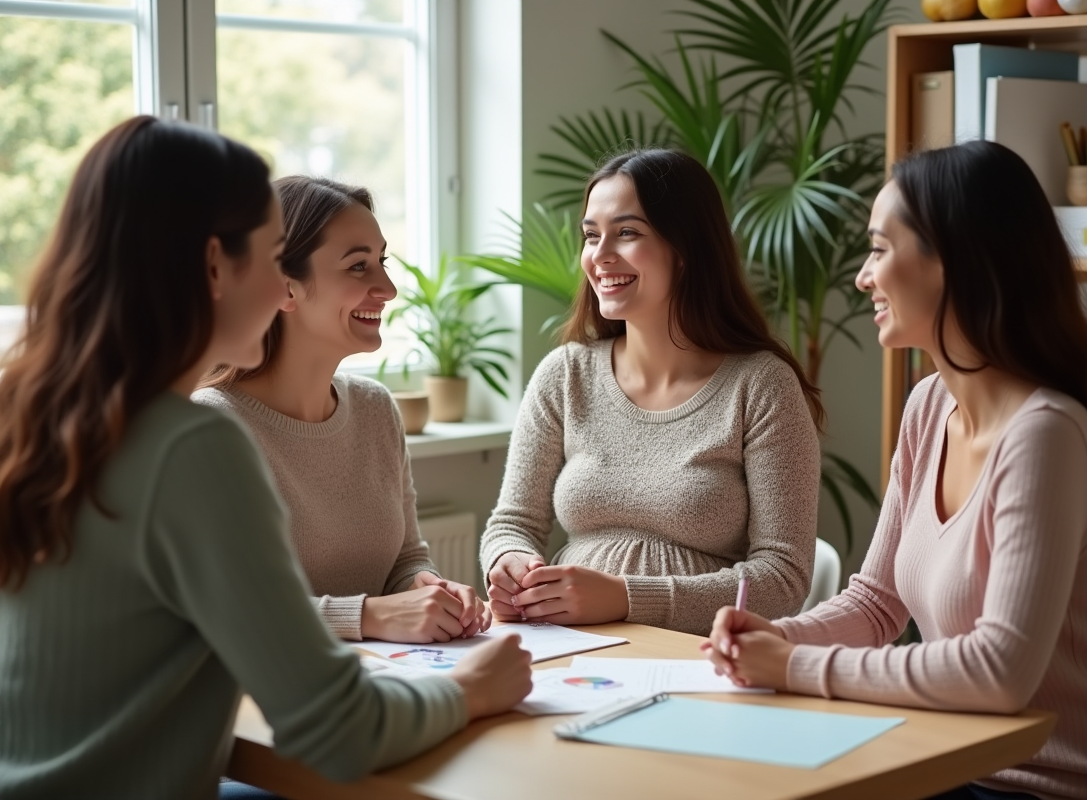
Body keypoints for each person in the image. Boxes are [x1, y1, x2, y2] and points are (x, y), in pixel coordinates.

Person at [0, 116, 531, 800]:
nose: (283, 286)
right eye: (276, 255)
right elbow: (338, 731)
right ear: (218, 266)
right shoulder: (194, 445)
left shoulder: (49, 418)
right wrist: (472, 690)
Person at [703, 141, 1087, 800]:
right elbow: (876, 604)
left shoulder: (1045, 435)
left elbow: (1000, 670)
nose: (864, 277)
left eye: (878, 250)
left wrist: (796, 665)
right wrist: (774, 636)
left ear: (951, 264)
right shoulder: (929, 406)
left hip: (1067, 785)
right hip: (957, 763)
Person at [480, 148, 823, 637]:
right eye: (591, 235)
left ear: (686, 250)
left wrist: (625, 599)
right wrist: (511, 562)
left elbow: (782, 577)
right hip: (566, 641)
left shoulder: (762, 386)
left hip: (697, 652)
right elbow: (511, 522)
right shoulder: (565, 374)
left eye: (627, 233)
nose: (599, 256)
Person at [195, 176, 485, 644]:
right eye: (357, 267)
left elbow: (405, 557)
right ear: (283, 288)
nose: (387, 288)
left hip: (380, 678)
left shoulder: (375, 409)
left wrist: (427, 589)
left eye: (382, 262)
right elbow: (222, 609)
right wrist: (371, 617)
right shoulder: (213, 425)